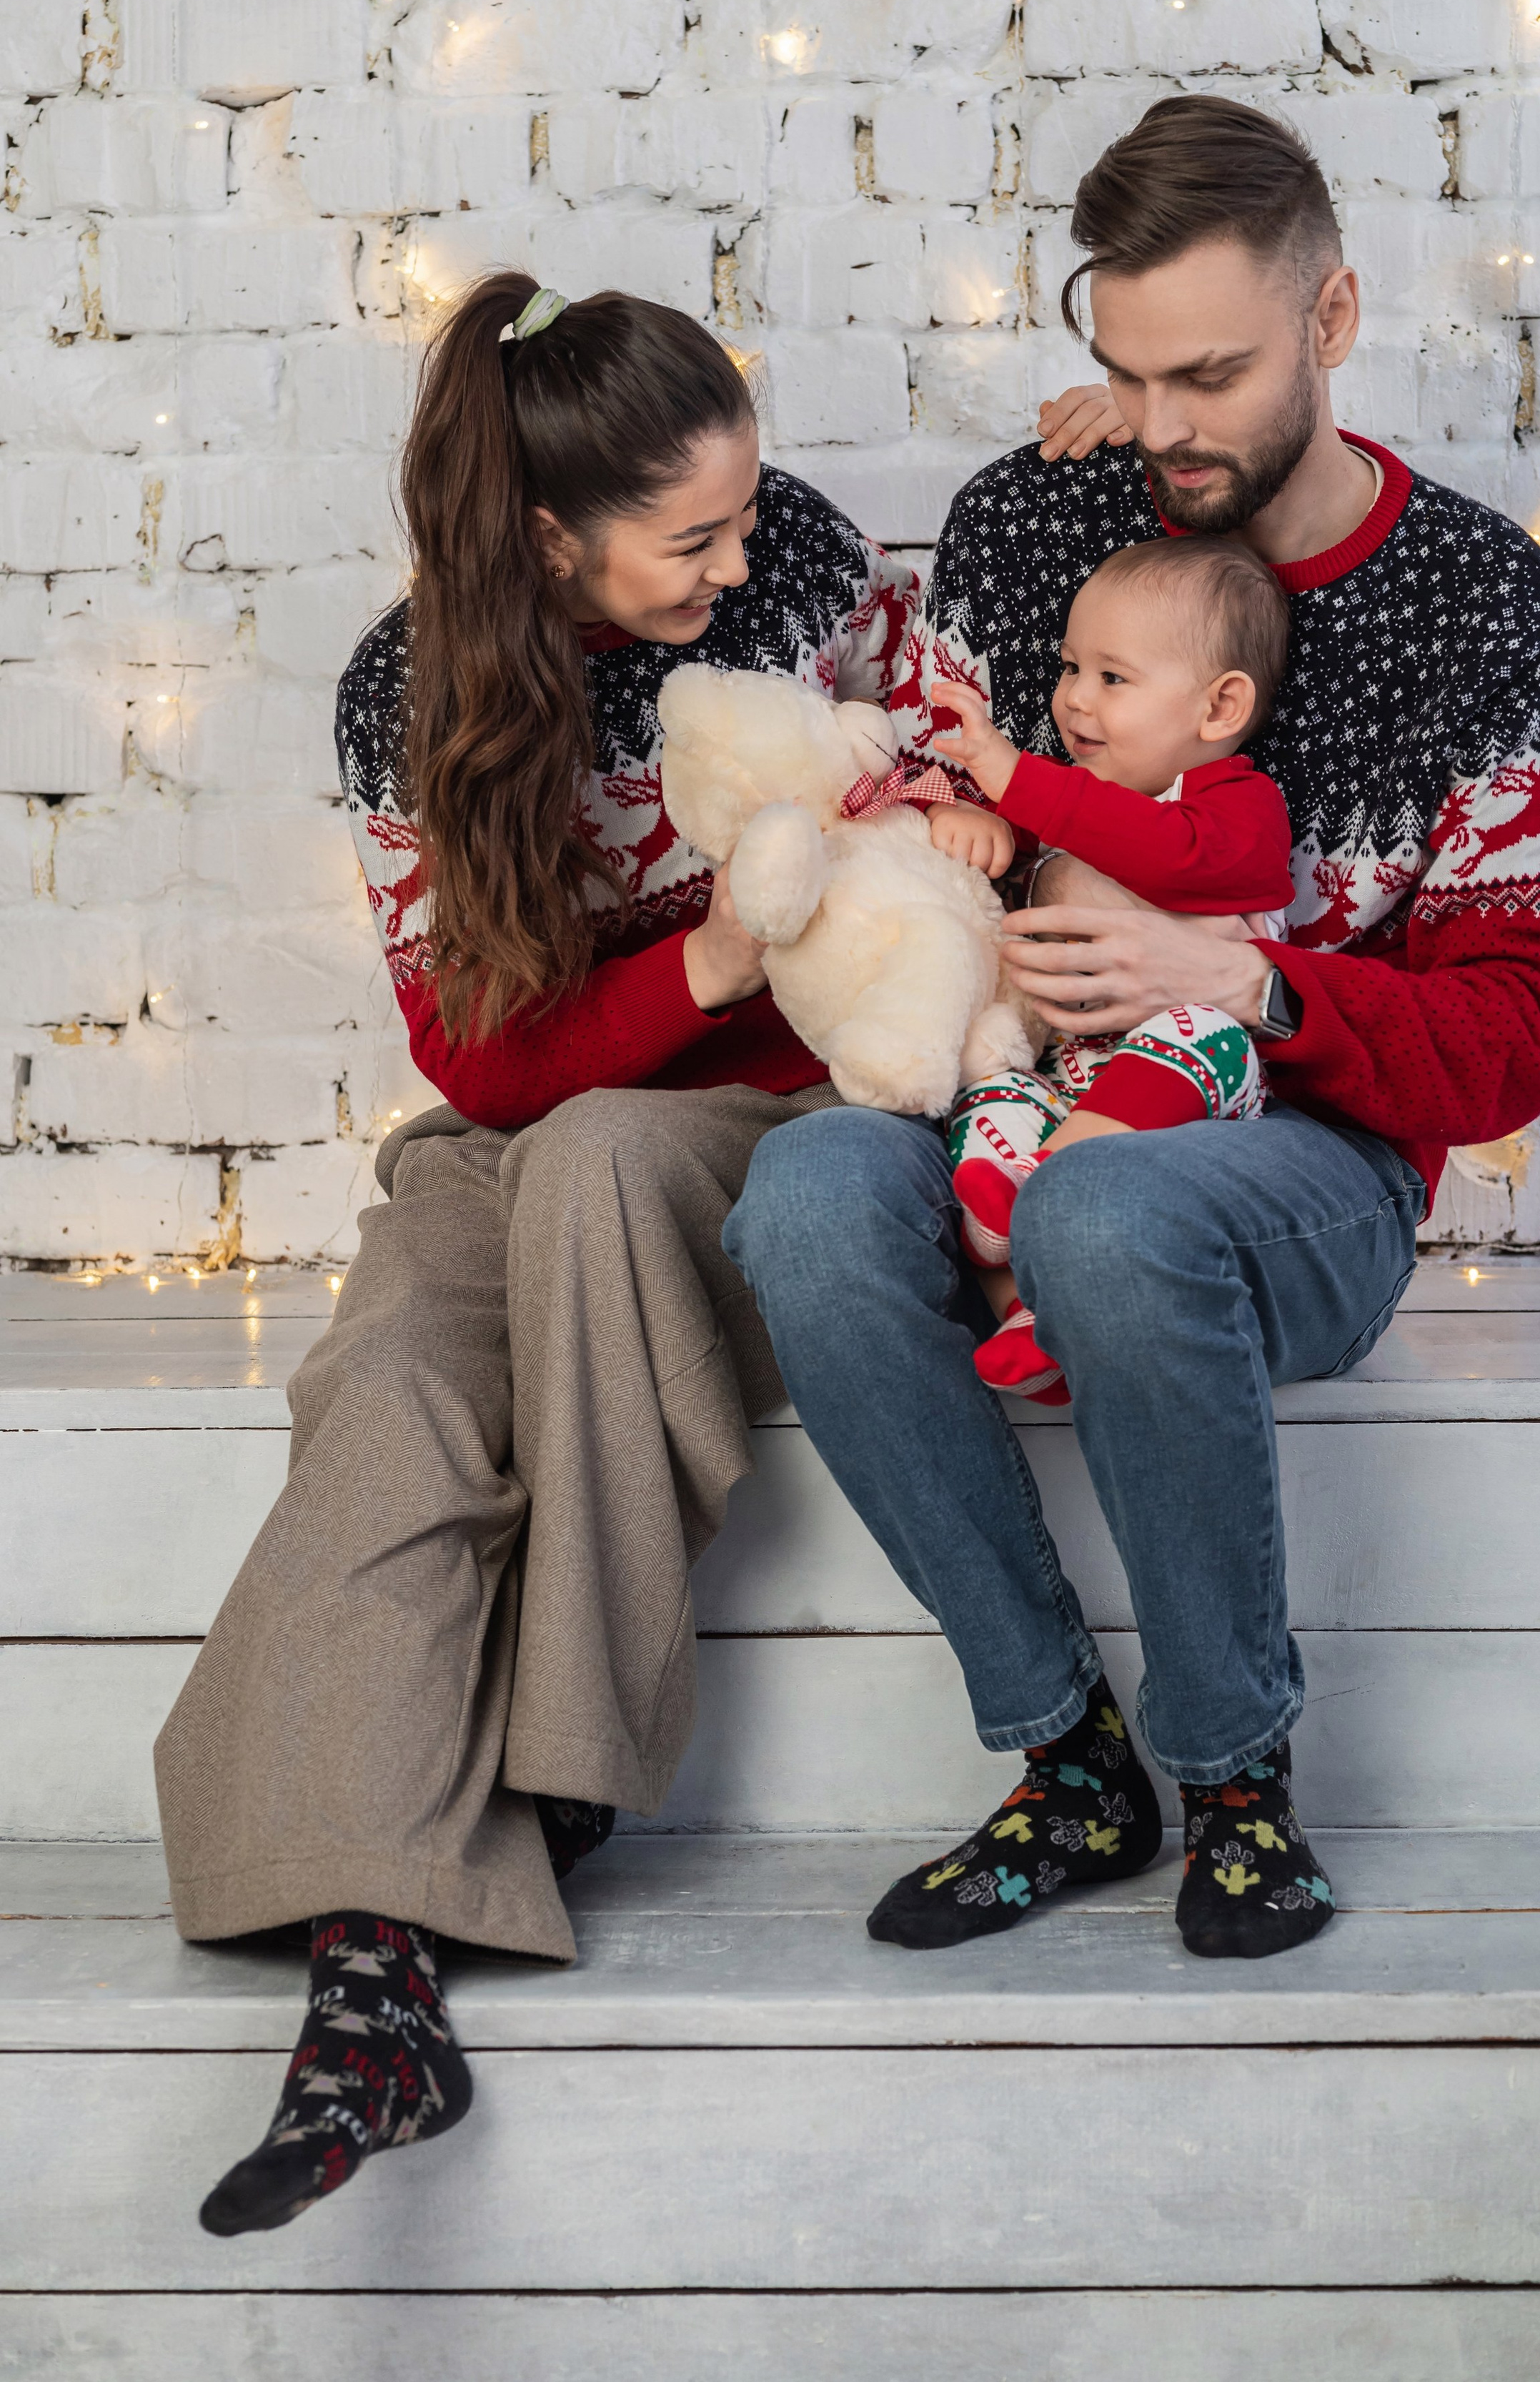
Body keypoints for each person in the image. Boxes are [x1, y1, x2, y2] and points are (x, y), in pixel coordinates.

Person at [725, 93, 1540, 1962]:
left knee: (1114, 1217)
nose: (1162, 427)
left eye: (1211, 372)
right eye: (1125, 372)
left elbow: (1526, 1031)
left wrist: (1258, 985)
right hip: (1016, 1081)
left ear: (1335, 319)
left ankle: (1236, 1773)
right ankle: (1065, 1760)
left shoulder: (1484, 611)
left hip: (1300, 1164)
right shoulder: (1033, 515)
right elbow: (909, 818)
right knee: (803, 1195)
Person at [154, 272, 925, 2236]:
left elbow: (941, 786)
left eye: (747, 512)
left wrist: (774, 953)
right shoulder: (400, 697)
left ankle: (566, 1773)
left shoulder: (803, 570)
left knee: (587, 1164)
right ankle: (369, 1990)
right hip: (540, 1124)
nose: (743, 557)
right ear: (546, 535)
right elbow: (479, 1055)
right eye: (695, 536)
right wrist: (704, 959)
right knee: (398, 1374)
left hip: (787, 1117)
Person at [925, 533, 1294, 1403]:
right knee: (990, 1097)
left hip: (1197, 1090)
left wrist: (1013, 779)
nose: (1074, 701)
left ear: (1218, 708)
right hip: (1072, 1081)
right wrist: (988, 838)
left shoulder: (1238, 805)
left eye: (1111, 678)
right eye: (1069, 668)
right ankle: (1026, 1310)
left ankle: (1043, 1201)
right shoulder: (1063, 803)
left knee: (1199, 1030)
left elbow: (1169, 860)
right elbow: (1036, 879)